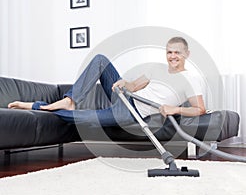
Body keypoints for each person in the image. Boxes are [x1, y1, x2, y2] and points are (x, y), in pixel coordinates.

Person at [8, 37, 206, 128]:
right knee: (101, 60)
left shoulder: (190, 79)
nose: (172, 56)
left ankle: (37, 106)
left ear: (186, 54)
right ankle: (71, 99)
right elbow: (133, 86)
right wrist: (123, 83)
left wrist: (175, 109)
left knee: (76, 119)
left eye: (177, 52)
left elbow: (200, 109)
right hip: (126, 97)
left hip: (129, 112)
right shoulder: (157, 69)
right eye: (169, 52)